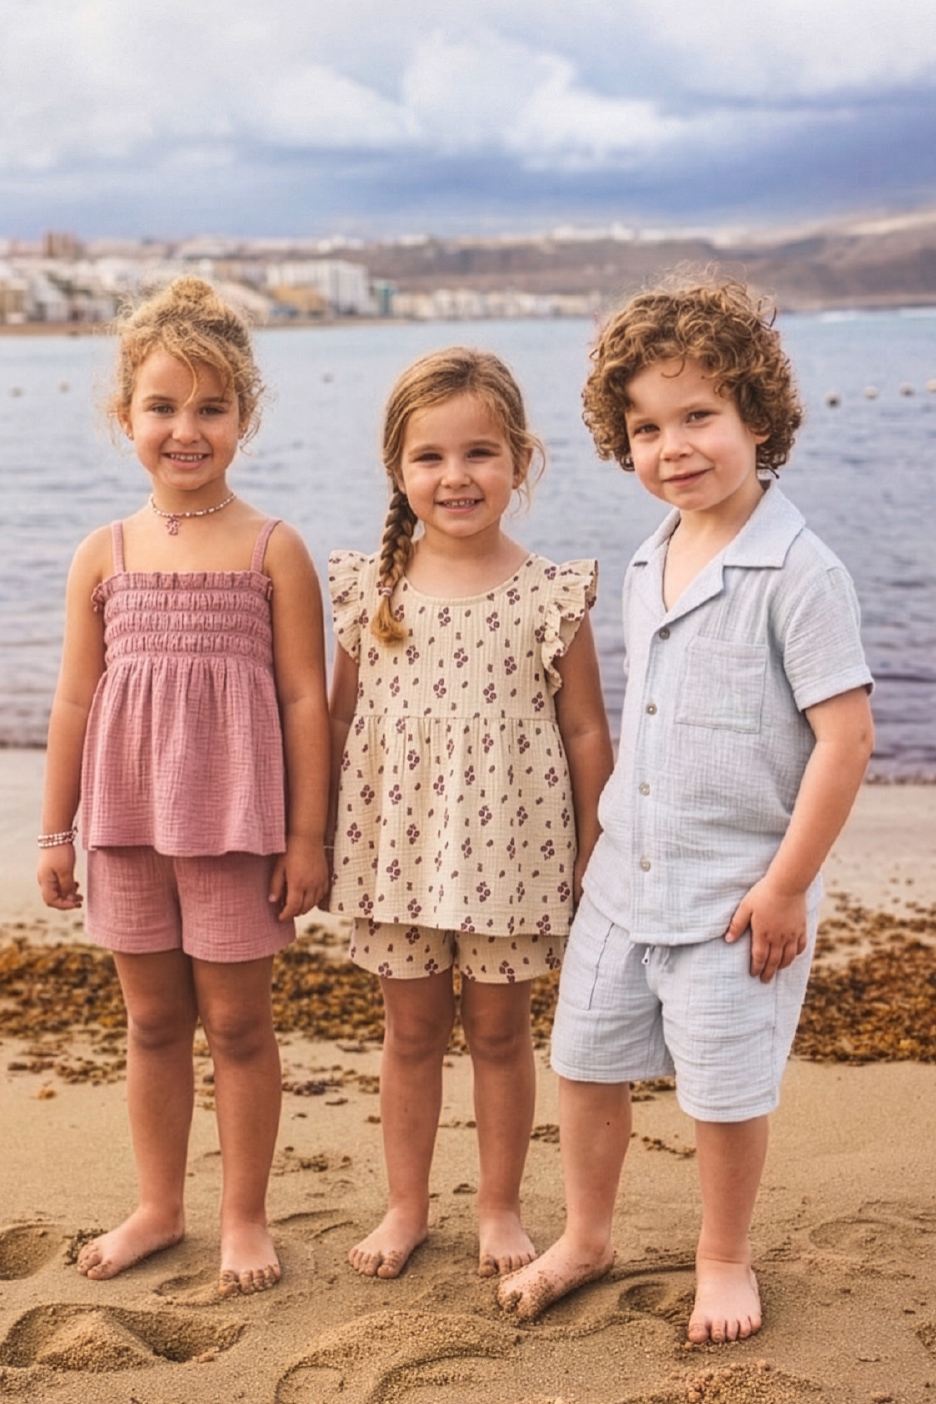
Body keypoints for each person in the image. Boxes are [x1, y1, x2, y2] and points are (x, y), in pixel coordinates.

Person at [498, 277, 874, 1342]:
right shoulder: (649, 557)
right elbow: (649, 717)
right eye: (646, 428)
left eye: (698, 416)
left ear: (758, 414)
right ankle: (586, 1234)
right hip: (628, 877)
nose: (674, 447)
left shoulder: (799, 571)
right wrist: (601, 840)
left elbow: (845, 740)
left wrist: (789, 885)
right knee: (585, 1063)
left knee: (722, 1091)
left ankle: (723, 1256)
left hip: (736, 894)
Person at [36, 276, 330, 1298]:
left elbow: (305, 703)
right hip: (123, 826)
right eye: (162, 407)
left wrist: (308, 836)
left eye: (210, 407)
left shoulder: (273, 549)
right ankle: (160, 1207)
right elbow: (74, 703)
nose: (186, 429)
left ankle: (244, 1216)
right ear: (127, 419)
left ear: (244, 416)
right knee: (153, 1025)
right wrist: (51, 833)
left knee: (242, 1028)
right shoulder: (99, 554)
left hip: (237, 828)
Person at [327, 347, 613, 1281]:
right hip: (397, 851)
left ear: (522, 460)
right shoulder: (369, 591)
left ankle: (498, 1208)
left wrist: (596, 843)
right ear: (398, 470)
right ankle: (406, 1206)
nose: (456, 477)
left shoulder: (551, 594)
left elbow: (583, 732)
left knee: (499, 1034)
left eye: (481, 453)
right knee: (409, 1033)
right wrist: (315, 834)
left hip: (517, 849)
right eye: (431, 458)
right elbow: (336, 721)